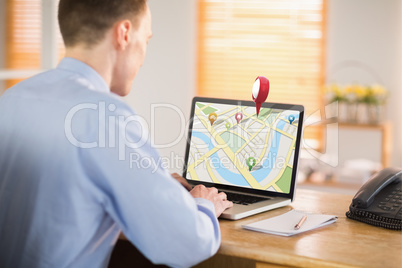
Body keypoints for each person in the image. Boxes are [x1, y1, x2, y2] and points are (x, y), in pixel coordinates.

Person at [0, 0, 233, 267]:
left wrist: (152, 183)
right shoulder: (106, 116)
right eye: (146, 40)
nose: (144, 57)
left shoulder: (13, 98)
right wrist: (203, 205)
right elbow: (185, 244)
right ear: (124, 34)